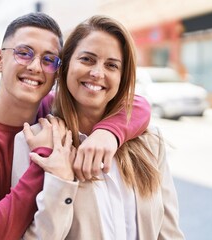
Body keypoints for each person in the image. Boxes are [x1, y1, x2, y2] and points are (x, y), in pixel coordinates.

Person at [0, 13, 151, 239]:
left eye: (49, 59)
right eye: (23, 53)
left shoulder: (51, 108)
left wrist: (108, 133)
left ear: (58, 72)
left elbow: (137, 104)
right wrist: (43, 160)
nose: (35, 67)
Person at [12, 15, 184, 239]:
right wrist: (61, 180)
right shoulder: (33, 142)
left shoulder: (151, 142)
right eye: (87, 59)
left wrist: (109, 133)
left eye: (111, 65)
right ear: (64, 67)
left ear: (122, 77)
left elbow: (169, 233)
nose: (97, 73)